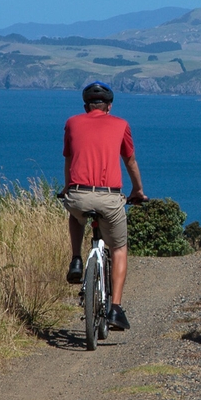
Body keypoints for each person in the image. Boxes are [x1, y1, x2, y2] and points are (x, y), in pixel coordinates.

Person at [61, 81, 146, 330]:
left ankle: (77, 259)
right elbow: (130, 161)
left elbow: (69, 160)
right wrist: (138, 191)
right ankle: (116, 308)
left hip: (78, 193)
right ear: (109, 106)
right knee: (119, 248)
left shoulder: (72, 123)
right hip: (109, 198)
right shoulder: (121, 124)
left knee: (76, 215)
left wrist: (68, 188)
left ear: (86, 106)